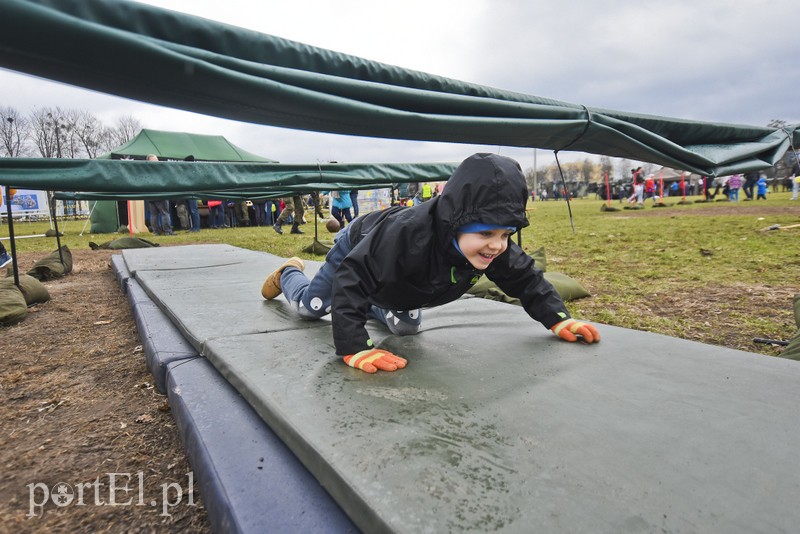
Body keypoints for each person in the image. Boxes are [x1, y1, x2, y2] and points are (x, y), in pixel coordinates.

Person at [260, 153, 600, 374]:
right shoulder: (405, 238)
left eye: (507, 233)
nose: (497, 245)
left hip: (400, 284)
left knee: (405, 328)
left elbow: (526, 279)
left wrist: (558, 319)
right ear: (456, 222)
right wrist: (354, 347)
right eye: (486, 233)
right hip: (358, 246)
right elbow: (354, 274)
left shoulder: (490, 246)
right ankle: (290, 272)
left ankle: (369, 304)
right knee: (313, 307)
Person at [144, 155, 175, 236]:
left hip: (150, 195)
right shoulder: (160, 170)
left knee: (154, 215)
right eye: (155, 160)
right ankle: (167, 231)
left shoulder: (146, 171)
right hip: (160, 194)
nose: (157, 161)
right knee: (164, 213)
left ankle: (156, 232)